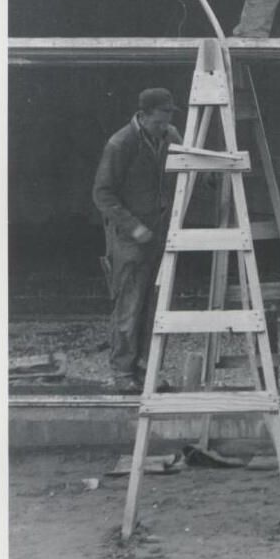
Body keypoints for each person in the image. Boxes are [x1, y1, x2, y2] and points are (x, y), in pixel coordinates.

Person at [92, 87, 182, 393]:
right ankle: (122, 372)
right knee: (129, 304)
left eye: (167, 121)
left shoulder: (170, 136)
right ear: (142, 116)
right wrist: (133, 227)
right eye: (158, 122)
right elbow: (103, 194)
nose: (164, 128)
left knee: (156, 304)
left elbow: (184, 164)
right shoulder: (120, 144)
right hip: (130, 239)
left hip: (160, 233)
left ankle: (147, 367)